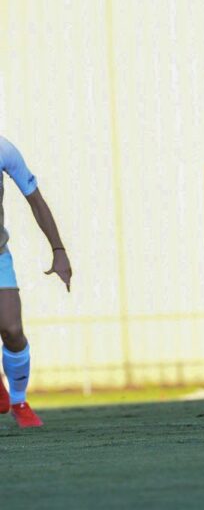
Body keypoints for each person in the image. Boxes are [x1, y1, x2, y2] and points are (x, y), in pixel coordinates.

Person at [0, 136, 72, 428]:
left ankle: (19, 401)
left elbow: (36, 200)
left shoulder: (4, 149)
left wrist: (59, 250)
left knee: (12, 329)